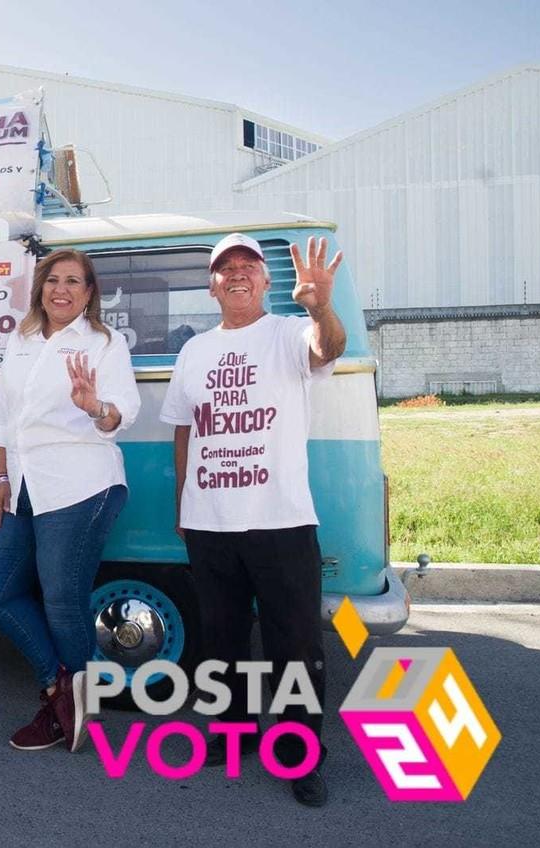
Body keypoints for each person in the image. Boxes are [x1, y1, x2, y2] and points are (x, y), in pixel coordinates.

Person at [159, 232, 346, 807]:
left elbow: (329, 348)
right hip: (210, 522)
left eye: (248, 266)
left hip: (281, 521)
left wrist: (320, 307)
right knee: (221, 640)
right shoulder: (194, 351)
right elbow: (185, 429)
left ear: (266, 281)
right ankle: (232, 733)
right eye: (224, 268)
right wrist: (183, 503)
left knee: (294, 645)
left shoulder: (290, 332)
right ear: (211, 284)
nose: (236, 274)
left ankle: (298, 757)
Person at [0, 248, 141, 753]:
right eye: (53, 280)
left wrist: (97, 407)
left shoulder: (103, 344)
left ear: (90, 293)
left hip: (80, 483)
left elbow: (123, 415)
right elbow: (2, 415)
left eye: (74, 281)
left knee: (63, 599)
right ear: (41, 288)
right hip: (23, 484)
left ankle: (67, 704)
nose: (61, 289)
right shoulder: (20, 340)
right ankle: (59, 688)